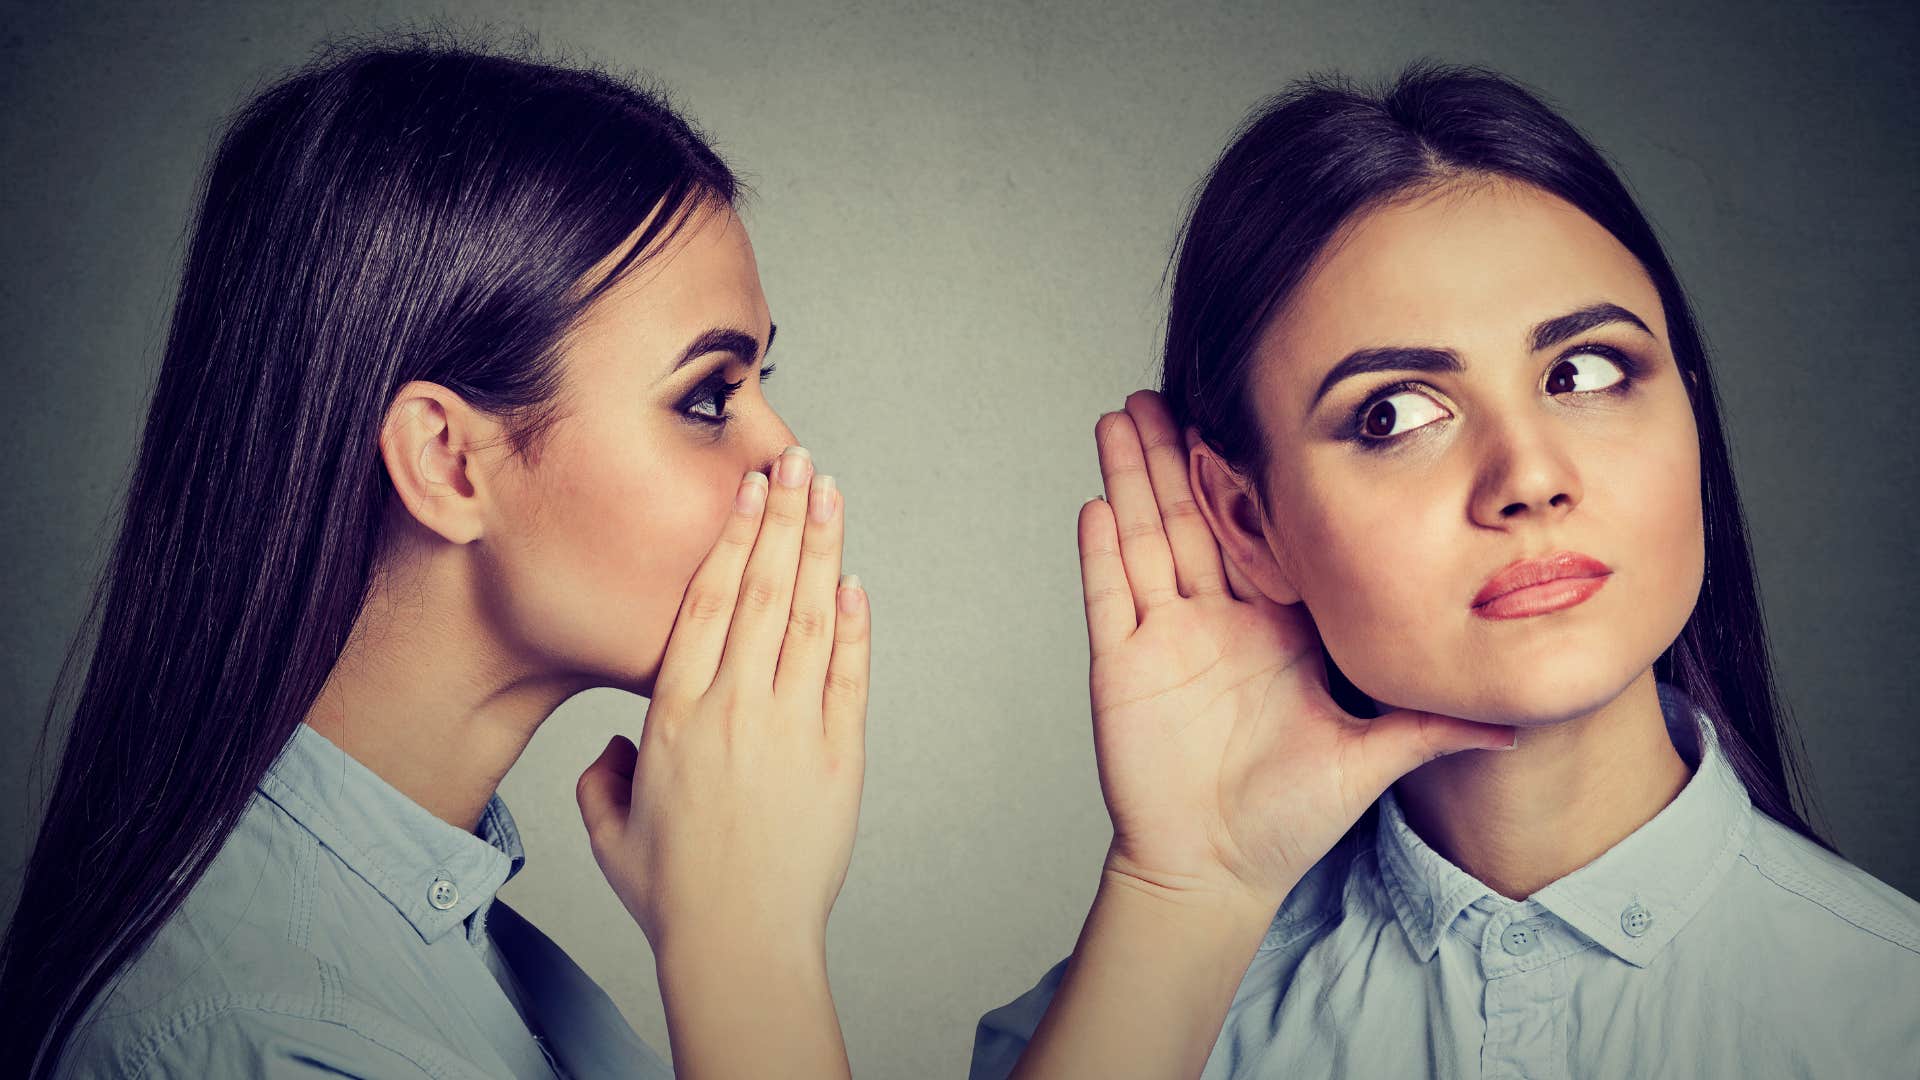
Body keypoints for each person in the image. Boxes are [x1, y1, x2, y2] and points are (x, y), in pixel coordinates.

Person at [973, 62, 1920, 1078]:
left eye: (1585, 372)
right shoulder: (1103, 1032)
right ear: (1249, 522)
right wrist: (1191, 888)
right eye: (1394, 415)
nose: (1530, 478)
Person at [0, 35, 870, 1080]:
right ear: (448, 462)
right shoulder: (257, 1041)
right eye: (708, 398)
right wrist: (747, 950)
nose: (787, 457)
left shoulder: (446, 952)